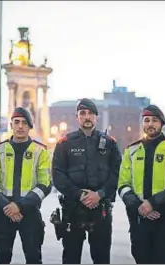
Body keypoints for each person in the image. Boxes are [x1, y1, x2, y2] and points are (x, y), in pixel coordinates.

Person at [117, 105, 165, 264]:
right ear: (142, 123)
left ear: (162, 124)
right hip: (139, 221)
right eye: (147, 120)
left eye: (155, 120)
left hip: (164, 220)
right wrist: (140, 207)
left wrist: (152, 204)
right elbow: (123, 185)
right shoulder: (131, 150)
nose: (150, 124)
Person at [52, 98, 122, 264]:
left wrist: (100, 194)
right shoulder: (65, 143)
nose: (87, 116)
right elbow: (58, 175)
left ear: (96, 117)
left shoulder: (110, 144)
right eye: (82, 113)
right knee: (71, 258)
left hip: (101, 210)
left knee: (101, 258)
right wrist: (81, 195)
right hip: (73, 210)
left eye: (90, 113)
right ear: (77, 117)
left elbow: (118, 173)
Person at [0, 107, 51, 264]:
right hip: (3, 212)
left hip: (29, 212)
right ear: (11, 125)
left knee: (34, 258)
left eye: (24, 123)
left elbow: (45, 184)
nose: (20, 126)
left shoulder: (40, 151)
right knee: (1, 258)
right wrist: (8, 207)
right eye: (17, 122)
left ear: (30, 126)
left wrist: (20, 206)